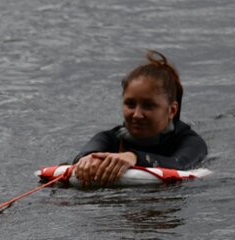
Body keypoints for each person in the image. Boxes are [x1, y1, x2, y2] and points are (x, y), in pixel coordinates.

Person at [73, 51, 207, 186]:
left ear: (172, 110)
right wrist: (88, 159)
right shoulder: (109, 138)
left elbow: (180, 164)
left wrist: (134, 157)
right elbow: (84, 155)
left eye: (148, 106)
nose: (137, 115)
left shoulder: (192, 143)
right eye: (130, 104)